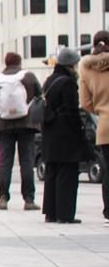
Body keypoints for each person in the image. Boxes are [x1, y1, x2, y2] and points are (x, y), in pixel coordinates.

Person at [0, 52, 42, 211]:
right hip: (26, 124)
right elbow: (40, 97)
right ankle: (29, 199)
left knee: (5, 161)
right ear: (19, 62)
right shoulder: (29, 77)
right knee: (27, 161)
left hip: (4, 125)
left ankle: (3, 198)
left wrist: (1, 113)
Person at [43, 47, 85, 223]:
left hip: (50, 130)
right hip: (65, 133)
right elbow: (72, 110)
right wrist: (79, 128)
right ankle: (65, 214)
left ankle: (51, 213)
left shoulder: (50, 80)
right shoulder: (68, 83)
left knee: (52, 172)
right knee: (67, 173)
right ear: (70, 65)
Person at [80, 31, 109, 225]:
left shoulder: (86, 67)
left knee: (108, 170)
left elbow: (85, 102)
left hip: (105, 126)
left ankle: (108, 211)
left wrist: (101, 110)